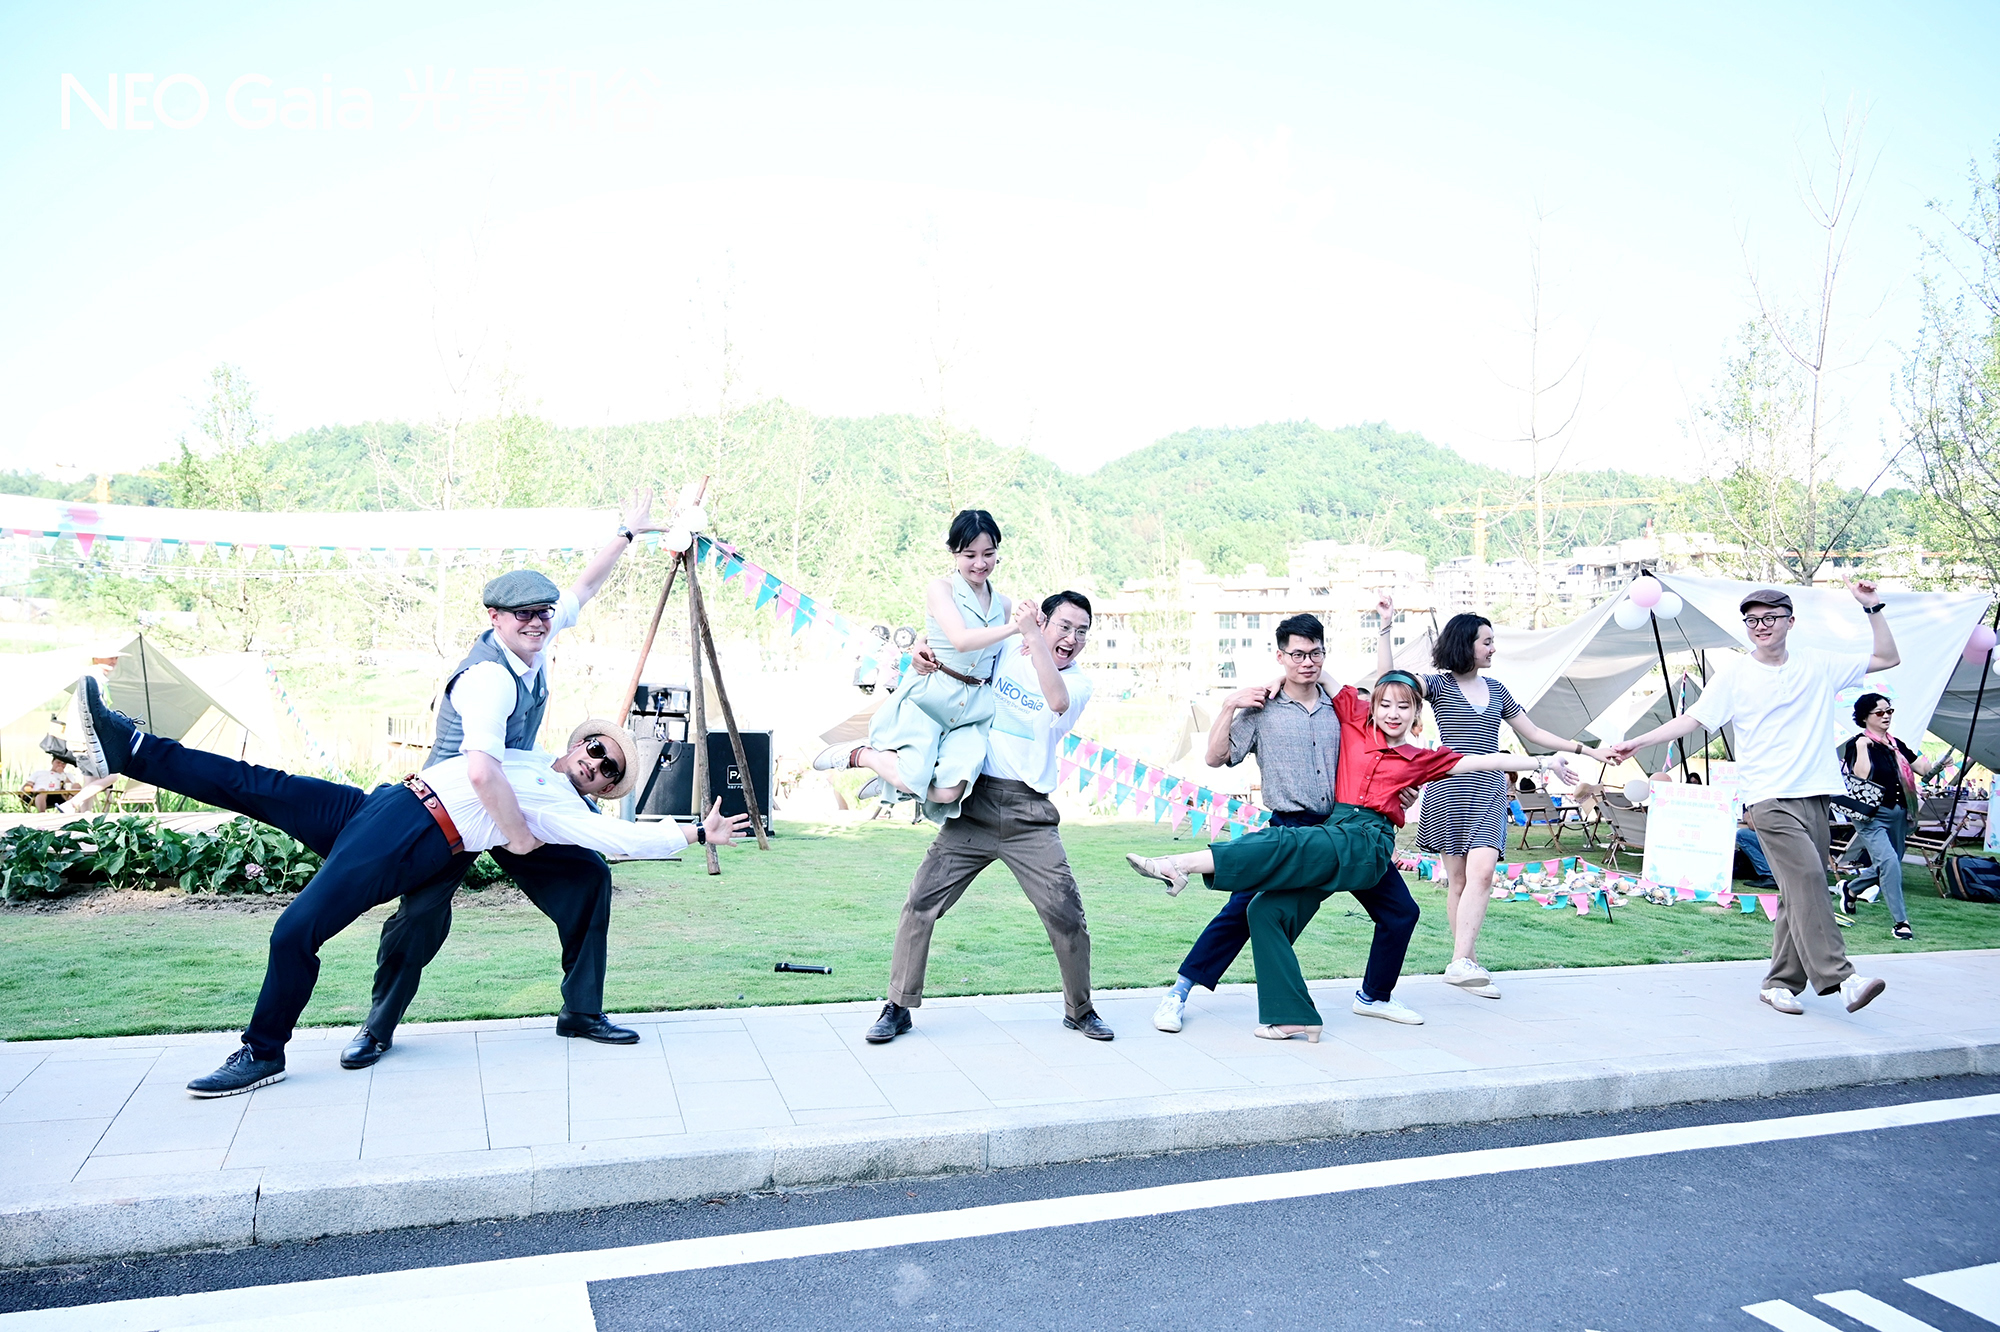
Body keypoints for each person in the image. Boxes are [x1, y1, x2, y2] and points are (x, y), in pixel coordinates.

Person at [67, 675, 749, 1097]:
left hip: (413, 839)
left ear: (602, 787)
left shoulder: (563, 807)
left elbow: (619, 841)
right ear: (579, 743)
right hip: (383, 805)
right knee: (254, 784)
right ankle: (127, 748)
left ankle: (262, 1051)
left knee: (295, 930)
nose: (596, 764)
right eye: (596, 749)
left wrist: (694, 833)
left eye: (608, 770)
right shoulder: (523, 755)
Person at [346, 492, 663, 1070]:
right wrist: (517, 836)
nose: (539, 621)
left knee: (588, 876)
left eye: (544, 612)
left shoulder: (536, 640)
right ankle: (377, 1027)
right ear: (495, 617)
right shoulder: (487, 676)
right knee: (420, 917)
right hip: (456, 806)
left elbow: (585, 587)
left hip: (519, 798)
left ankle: (581, 1011)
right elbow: (479, 771)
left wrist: (626, 533)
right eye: (524, 614)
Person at [1126, 668, 1576, 1041]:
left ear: (1417, 713)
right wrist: (1278, 678)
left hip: (1366, 842)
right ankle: (1293, 1013)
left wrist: (1544, 761)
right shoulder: (1354, 722)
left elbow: (1485, 760)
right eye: (1386, 705)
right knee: (1266, 910)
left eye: (1405, 707)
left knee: (1288, 846)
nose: (1394, 713)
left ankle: (1180, 864)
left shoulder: (1419, 758)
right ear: (1372, 707)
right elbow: (1324, 673)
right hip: (1333, 830)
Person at [1612, 583, 1899, 1017]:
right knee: (1809, 879)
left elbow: (1887, 657)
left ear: (1790, 621)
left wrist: (1873, 608)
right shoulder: (1735, 674)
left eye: (1769, 618)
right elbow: (1693, 719)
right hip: (1767, 797)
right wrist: (1639, 741)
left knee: (1796, 890)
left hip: (1815, 795)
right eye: (1752, 620)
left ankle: (1779, 983)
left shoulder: (1819, 663)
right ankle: (1842, 978)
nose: (1760, 626)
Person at [1152, 611, 1425, 1037]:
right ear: (1281, 656)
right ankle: (1179, 993)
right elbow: (1215, 757)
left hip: (1346, 831)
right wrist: (1229, 705)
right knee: (1242, 910)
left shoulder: (1342, 709)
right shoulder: (1262, 708)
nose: (1307, 662)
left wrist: (1399, 792)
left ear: (1324, 654)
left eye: (1315, 653)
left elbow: (1383, 739)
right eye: (1297, 654)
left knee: (1401, 912)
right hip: (1291, 828)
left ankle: (1375, 996)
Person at [864, 591, 1114, 1043]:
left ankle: (1080, 1010)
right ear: (1044, 621)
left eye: (1082, 632)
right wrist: (922, 653)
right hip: (973, 805)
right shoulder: (1005, 649)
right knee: (921, 901)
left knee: (1066, 913)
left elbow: (1056, 700)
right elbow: (957, 648)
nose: (1072, 638)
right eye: (1064, 626)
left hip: (1029, 814)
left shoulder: (1078, 683)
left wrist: (1033, 637)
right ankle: (897, 1007)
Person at [1414, 603, 1612, 1001]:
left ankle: (1460, 962)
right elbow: (1391, 685)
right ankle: (1465, 963)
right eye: (1487, 642)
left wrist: (1586, 750)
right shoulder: (1437, 685)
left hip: (1489, 792)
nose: (1493, 649)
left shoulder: (1498, 690)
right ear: (1465, 644)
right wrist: (1385, 628)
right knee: (1458, 881)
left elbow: (1534, 733)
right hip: (1449, 791)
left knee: (1483, 874)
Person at [814, 510, 1023, 824]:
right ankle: (864, 756)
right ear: (954, 553)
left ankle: (894, 781)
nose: (980, 563)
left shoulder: (1003, 604)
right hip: (932, 693)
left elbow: (993, 654)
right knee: (911, 777)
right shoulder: (941, 589)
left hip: (974, 707)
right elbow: (960, 640)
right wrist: (1017, 627)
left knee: (950, 792)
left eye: (989, 554)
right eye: (970, 555)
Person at [1835, 692, 1938, 940]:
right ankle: (1901, 922)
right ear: (1865, 717)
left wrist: (1938, 764)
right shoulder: (1857, 743)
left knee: (1889, 864)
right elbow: (1861, 776)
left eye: (1889, 711)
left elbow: (1922, 769)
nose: (1886, 716)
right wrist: (1862, 747)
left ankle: (1851, 888)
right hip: (1871, 816)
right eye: (1880, 712)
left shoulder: (1896, 744)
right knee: (1890, 863)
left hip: (1900, 813)